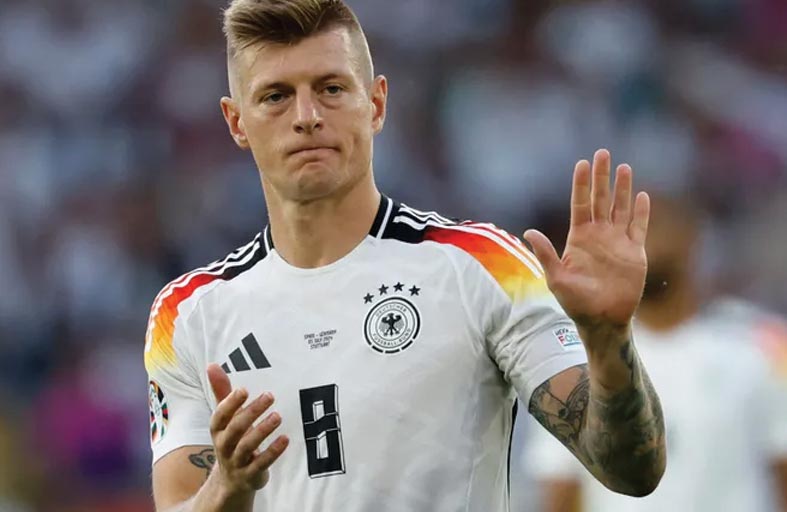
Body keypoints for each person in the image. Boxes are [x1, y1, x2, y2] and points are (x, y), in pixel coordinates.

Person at [143, 1, 666, 510]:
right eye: (276, 96)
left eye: (331, 89)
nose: (306, 117)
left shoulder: (482, 266)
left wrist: (607, 340)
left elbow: (631, 471)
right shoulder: (187, 314)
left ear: (376, 104)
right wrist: (227, 487)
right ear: (237, 122)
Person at [525, 195, 787, 512]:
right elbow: (561, 490)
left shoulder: (760, 347)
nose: (641, 236)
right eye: (626, 225)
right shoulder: (578, 358)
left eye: (654, 220)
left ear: (690, 235)